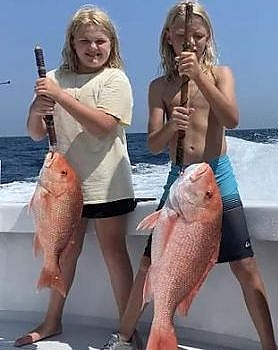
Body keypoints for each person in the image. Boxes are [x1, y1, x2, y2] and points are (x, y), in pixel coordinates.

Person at [101, 1, 277, 349]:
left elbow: (231, 118)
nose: (190, 42)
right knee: (150, 265)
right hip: (179, 180)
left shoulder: (220, 74)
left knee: (245, 267)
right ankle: (122, 337)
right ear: (168, 38)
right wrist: (171, 128)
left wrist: (198, 76)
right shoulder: (159, 87)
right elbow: (152, 143)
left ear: (208, 37)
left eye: (197, 35)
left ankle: (269, 346)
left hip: (217, 179)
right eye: (181, 35)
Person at [15, 5, 138, 347]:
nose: (93, 47)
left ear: (111, 43)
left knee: (114, 253)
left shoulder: (115, 79)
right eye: (85, 41)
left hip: (106, 183)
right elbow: (35, 133)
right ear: (72, 42)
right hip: (61, 186)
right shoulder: (53, 79)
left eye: (100, 40)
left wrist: (59, 98)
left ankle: (128, 329)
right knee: (64, 254)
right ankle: (51, 321)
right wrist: (37, 109)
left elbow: (103, 126)